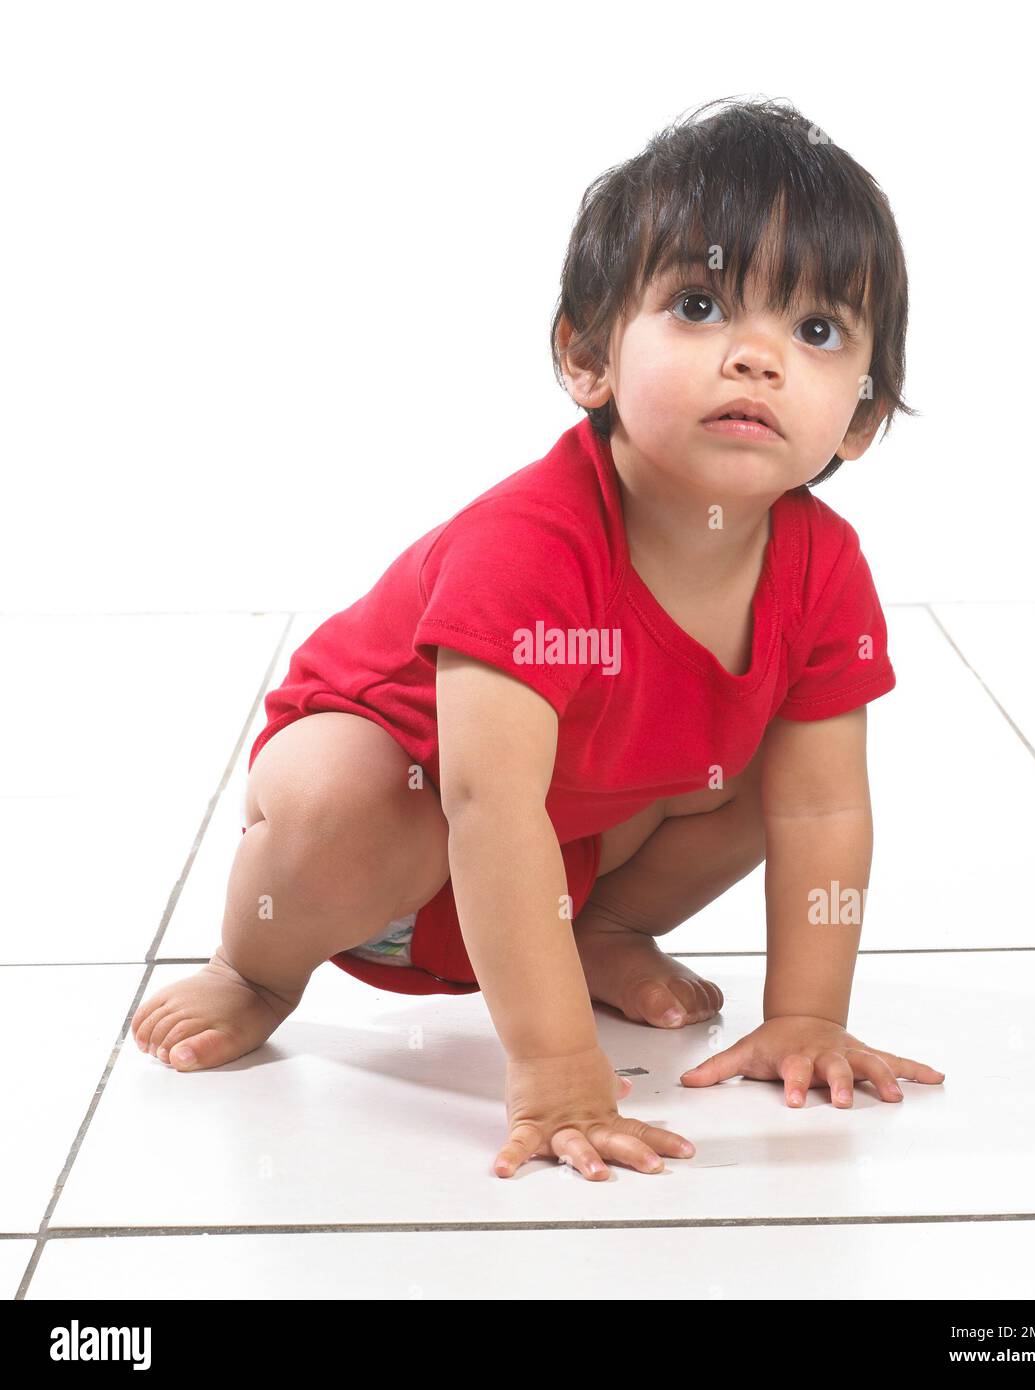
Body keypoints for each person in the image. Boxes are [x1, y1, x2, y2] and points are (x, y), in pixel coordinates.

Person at [132, 96, 945, 1180]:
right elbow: (487, 805)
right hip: (405, 830)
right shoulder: (534, 546)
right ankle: (255, 966)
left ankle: (598, 933)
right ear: (588, 355)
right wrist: (559, 1068)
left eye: (814, 331)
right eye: (700, 305)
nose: (756, 358)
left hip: (572, 841)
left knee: (783, 770)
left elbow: (824, 807)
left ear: (859, 419)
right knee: (356, 797)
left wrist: (806, 1012)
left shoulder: (823, 565)